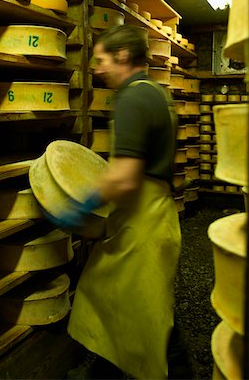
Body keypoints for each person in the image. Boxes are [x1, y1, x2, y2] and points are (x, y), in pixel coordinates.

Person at [54, 25, 182, 379]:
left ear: (123, 57)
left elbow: (125, 177)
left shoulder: (132, 99)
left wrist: (80, 206)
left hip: (144, 224)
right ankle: (113, 369)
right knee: (125, 301)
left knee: (142, 312)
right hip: (152, 216)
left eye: (101, 59)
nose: (96, 68)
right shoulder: (156, 92)